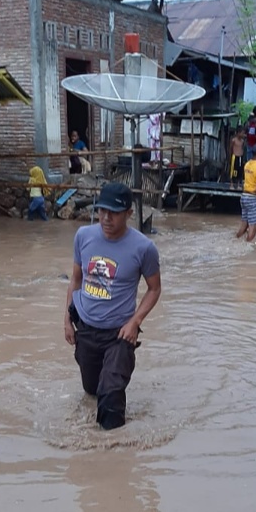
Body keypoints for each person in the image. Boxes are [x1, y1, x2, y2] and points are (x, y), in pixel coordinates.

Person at [64, 182, 161, 430]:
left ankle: (113, 453)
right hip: (85, 326)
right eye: (102, 211)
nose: (106, 218)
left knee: (111, 394)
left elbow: (154, 288)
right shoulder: (83, 237)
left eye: (114, 213)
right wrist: (67, 320)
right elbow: (75, 280)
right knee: (92, 390)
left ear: (129, 213)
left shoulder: (144, 248)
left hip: (120, 333)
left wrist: (135, 322)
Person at [236, 143, 256, 242]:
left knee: (244, 224)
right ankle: (247, 251)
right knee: (252, 229)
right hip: (253, 198)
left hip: (244, 196)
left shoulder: (248, 164)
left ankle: (236, 240)